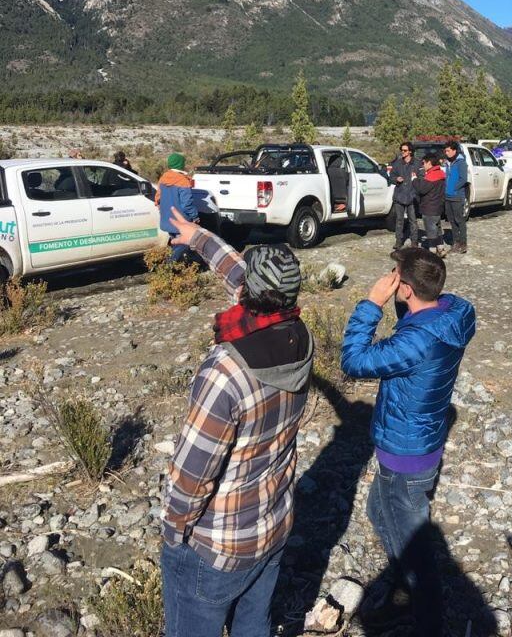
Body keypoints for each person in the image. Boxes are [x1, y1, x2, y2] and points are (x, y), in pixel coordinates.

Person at [161, 206, 314, 637]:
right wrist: (198, 237)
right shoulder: (299, 336)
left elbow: (193, 475)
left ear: (249, 292)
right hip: (273, 525)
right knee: (254, 627)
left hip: (219, 545)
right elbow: (240, 275)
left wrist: (174, 533)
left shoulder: (225, 372)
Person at [341, 248, 476, 637]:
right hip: (415, 444)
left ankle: (426, 620)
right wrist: (407, 298)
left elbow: (354, 360)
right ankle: (405, 589)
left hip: (405, 455)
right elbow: (414, 325)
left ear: (407, 288)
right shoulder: (453, 313)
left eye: (395, 274)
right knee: (378, 513)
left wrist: (371, 304)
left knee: (416, 550)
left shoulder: (416, 342)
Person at [156, 153, 199, 262]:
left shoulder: (163, 178)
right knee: (185, 242)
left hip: (166, 219)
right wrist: (195, 216)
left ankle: (178, 266)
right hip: (180, 221)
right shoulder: (182, 180)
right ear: (181, 164)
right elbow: (187, 204)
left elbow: (158, 199)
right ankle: (169, 265)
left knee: (175, 242)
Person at [413, 150, 447, 257]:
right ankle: (440, 248)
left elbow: (422, 189)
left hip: (429, 207)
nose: (423, 165)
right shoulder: (440, 174)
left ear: (429, 163)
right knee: (437, 228)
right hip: (438, 206)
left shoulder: (432, 176)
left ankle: (431, 252)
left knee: (430, 229)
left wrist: (414, 180)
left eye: (423, 163)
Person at [388, 141, 420, 249]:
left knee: (413, 220)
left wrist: (416, 181)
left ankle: (414, 242)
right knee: (399, 220)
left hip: (412, 196)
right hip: (399, 195)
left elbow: (421, 177)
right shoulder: (397, 163)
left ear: (410, 151)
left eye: (405, 150)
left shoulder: (417, 163)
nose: (403, 152)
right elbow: (391, 177)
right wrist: (396, 179)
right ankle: (398, 241)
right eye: (401, 150)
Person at [443, 141, 469, 253]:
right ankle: (455, 242)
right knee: (452, 221)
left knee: (459, 220)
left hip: (457, 196)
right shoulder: (448, 163)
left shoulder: (461, 163)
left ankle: (463, 244)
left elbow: (463, 179)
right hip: (447, 197)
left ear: (454, 150)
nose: (446, 153)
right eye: (445, 151)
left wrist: (453, 188)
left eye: (448, 150)